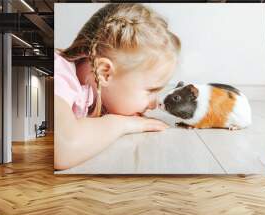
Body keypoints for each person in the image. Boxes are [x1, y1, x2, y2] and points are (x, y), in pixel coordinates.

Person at [54, 3, 181, 170]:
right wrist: (123, 124)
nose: (154, 103)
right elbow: (63, 149)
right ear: (105, 73)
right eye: (150, 90)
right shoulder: (59, 73)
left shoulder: (97, 95)